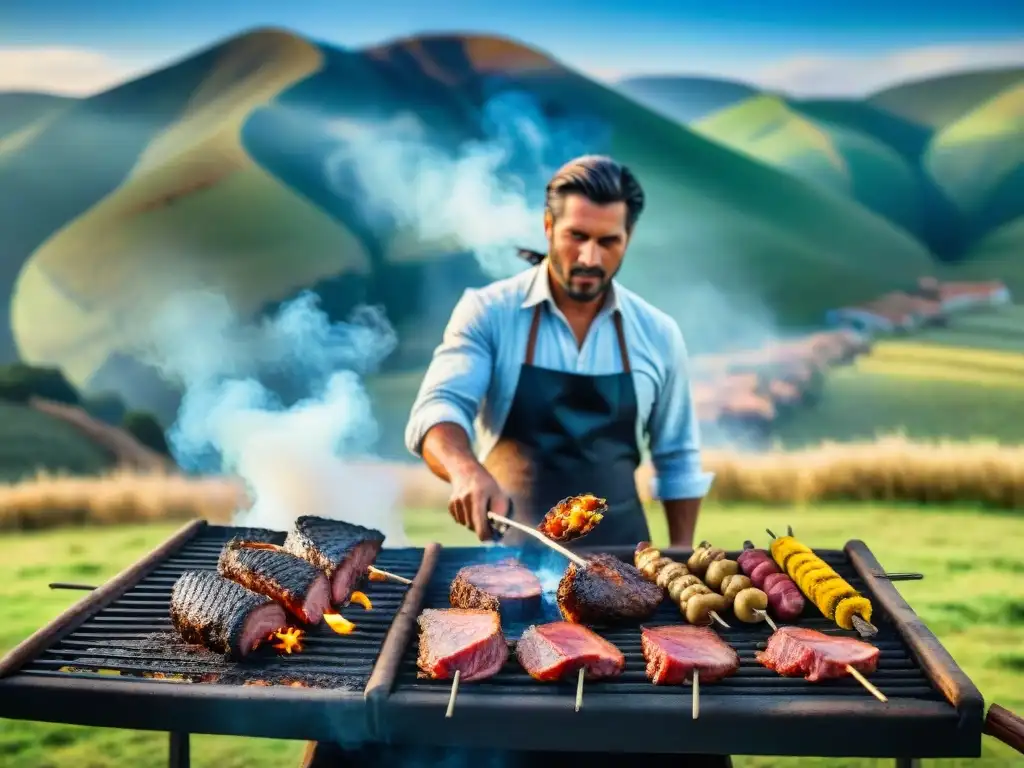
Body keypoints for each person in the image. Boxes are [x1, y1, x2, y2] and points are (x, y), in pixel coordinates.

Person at [302, 155, 723, 767]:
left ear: (627, 239)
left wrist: (679, 566)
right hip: (509, 566)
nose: (589, 257)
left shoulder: (657, 333)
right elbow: (436, 412)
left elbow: (679, 458)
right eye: (576, 236)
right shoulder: (490, 312)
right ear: (547, 226)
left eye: (608, 241)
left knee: (667, 744)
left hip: (628, 575)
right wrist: (466, 469)